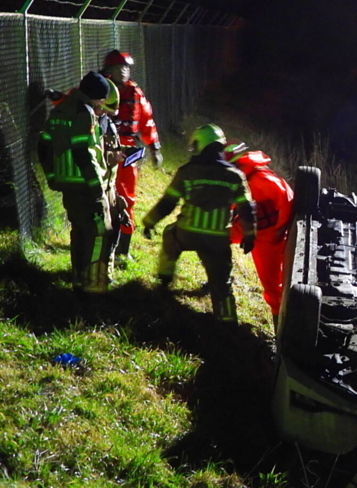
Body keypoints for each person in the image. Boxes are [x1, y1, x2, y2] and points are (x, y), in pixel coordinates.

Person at [140, 124, 256, 324]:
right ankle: (228, 322)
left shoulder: (187, 171)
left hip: (187, 233)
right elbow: (246, 208)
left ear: (200, 144)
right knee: (222, 283)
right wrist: (250, 235)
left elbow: (168, 203)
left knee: (169, 234)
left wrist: (149, 222)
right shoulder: (235, 175)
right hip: (218, 240)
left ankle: (164, 280)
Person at [37, 72, 116, 295]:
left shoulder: (60, 111)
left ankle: (78, 280)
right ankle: (94, 285)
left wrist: (52, 177)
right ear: (96, 96)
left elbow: (43, 147)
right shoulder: (84, 113)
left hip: (67, 185)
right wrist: (96, 187)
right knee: (101, 232)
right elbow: (83, 152)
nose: (102, 103)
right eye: (102, 98)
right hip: (85, 185)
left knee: (80, 231)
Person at [102, 49, 162, 262]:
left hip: (127, 151)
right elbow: (75, 101)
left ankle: (122, 250)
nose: (125, 72)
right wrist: (58, 99)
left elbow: (146, 121)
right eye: (120, 68)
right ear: (109, 69)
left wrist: (154, 148)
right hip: (102, 149)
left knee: (126, 199)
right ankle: (101, 244)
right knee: (101, 199)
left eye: (127, 68)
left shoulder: (134, 93)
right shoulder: (100, 88)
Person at [224, 141, 294, 323]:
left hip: (268, 235)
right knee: (216, 239)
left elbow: (287, 199)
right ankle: (219, 278)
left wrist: (280, 230)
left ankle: (280, 328)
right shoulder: (241, 178)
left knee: (272, 286)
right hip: (248, 225)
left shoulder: (262, 180)